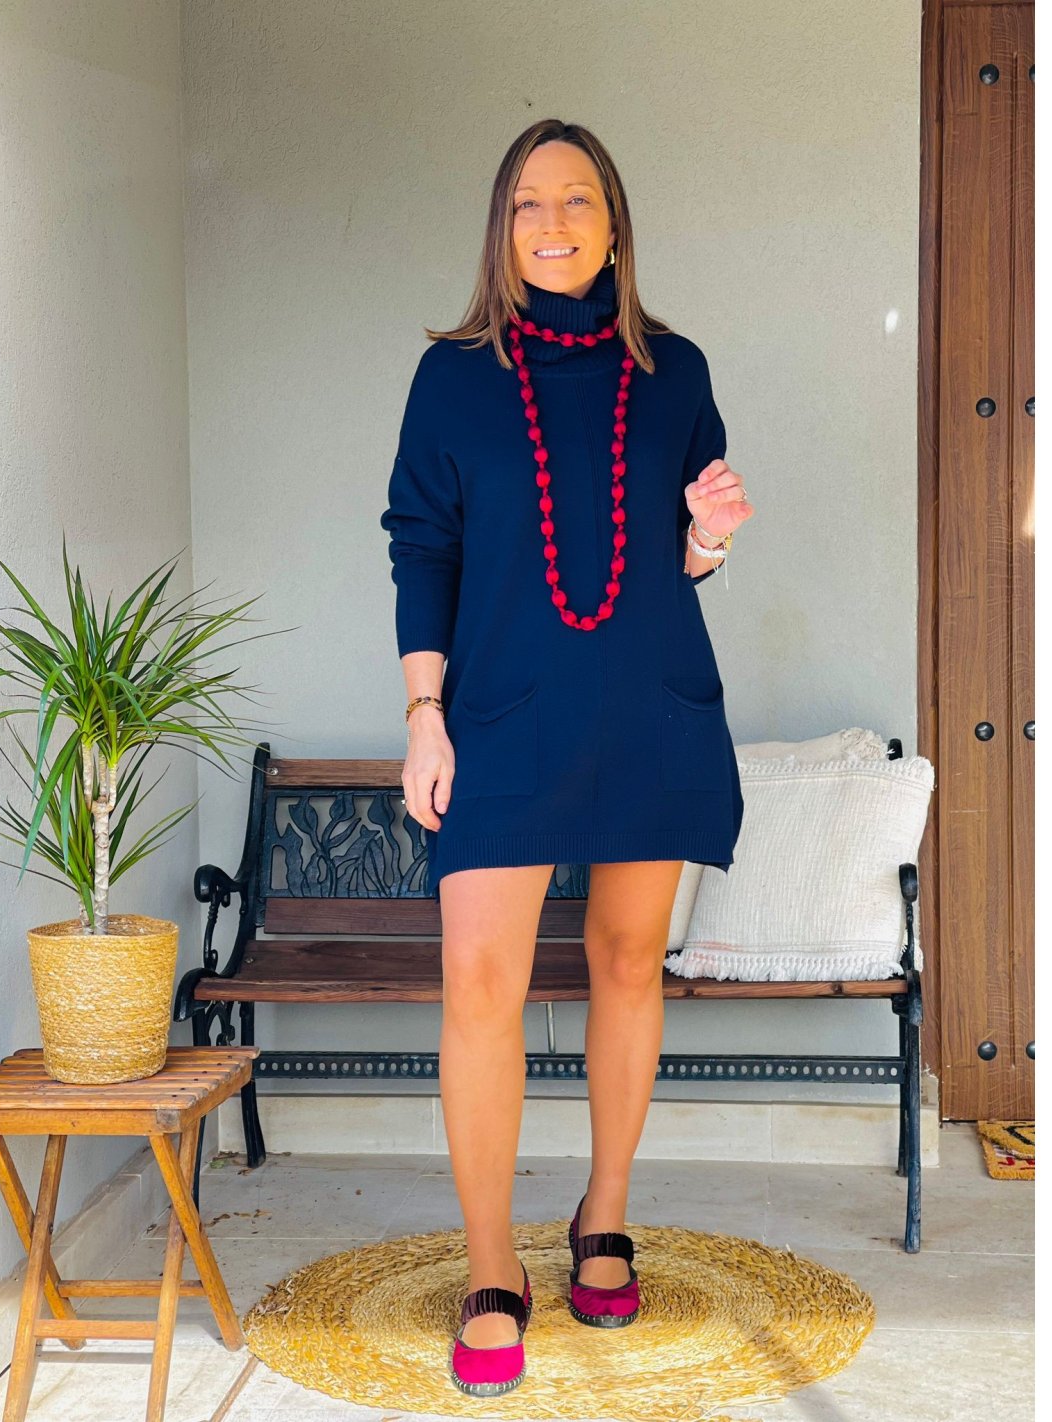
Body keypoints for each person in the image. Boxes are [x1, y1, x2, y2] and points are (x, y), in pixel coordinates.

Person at [379, 117, 754, 1397]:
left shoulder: (675, 367)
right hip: (499, 716)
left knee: (626, 963)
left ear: (612, 220)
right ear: (502, 226)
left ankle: (604, 1213)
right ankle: (493, 1264)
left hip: (648, 704)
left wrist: (707, 536)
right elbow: (421, 543)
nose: (552, 222)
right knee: (478, 982)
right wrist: (423, 712)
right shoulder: (451, 376)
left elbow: (683, 549)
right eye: (528, 202)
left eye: (576, 198)